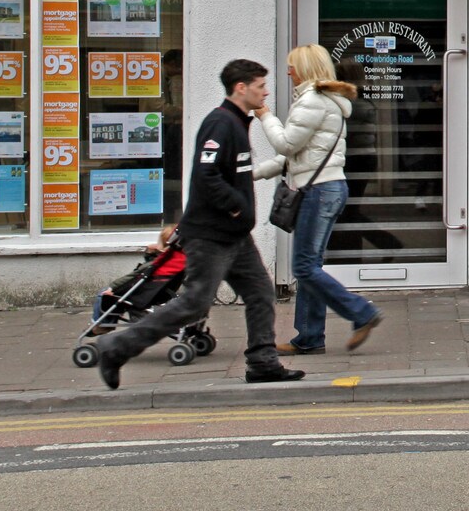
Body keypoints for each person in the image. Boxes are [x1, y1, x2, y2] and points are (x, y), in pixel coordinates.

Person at [94, 59, 305, 388]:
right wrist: (236, 207)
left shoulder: (238, 121)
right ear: (241, 87)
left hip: (234, 236)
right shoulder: (220, 123)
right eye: (260, 85)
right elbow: (207, 175)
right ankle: (115, 347)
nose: (265, 91)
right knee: (195, 303)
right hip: (210, 235)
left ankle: (262, 361)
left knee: (261, 293)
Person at [255, 44, 382, 355]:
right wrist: (253, 174)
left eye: (292, 66)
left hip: (319, 191)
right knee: (310, 265)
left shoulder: (311, 101)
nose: (288, 71)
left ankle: (361, 312)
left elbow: (285, 145)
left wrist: (265, 116)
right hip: (326, 187)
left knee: (304, 266)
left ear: (306, 68)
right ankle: (310, 337)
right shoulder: (324, 101)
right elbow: (297, 157)